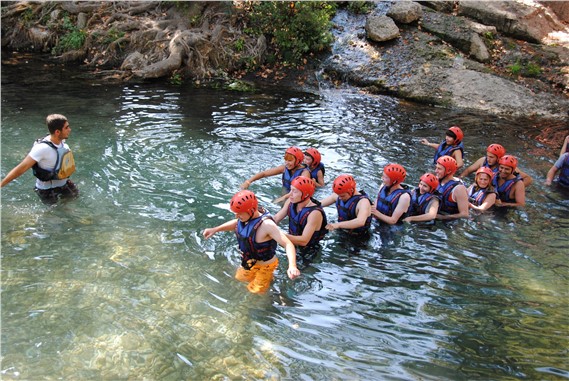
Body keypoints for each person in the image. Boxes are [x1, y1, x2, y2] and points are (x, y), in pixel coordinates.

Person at [202, 190, 300, 294]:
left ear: (252, 210)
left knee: (256, 292)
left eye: (240, 213)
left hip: (266, 266)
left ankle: (274, 292)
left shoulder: (267, 225)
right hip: (249, 262)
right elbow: (237, 224)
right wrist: (215, 229)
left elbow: (288, 244)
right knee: (239, 279)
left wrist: (292, 266)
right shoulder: (245, 218)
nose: (237, 216)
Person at [1, 114, 78, 204]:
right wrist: (1, 184)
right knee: (54, 215)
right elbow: (21, 168)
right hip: (47, 190)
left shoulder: (62, 142)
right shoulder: (42, 149)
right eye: (66, 127)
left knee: (74, 202)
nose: (70, 129)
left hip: (64, 184)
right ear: (57, 132)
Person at [274, 176, 327, 262]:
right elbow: (276, 218)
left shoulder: (315, 213)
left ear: (305, 194)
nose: (290, 194)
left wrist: (277, 235)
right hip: (290, 241)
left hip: (308, 250)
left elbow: (304, 240)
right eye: (291, 190)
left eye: (294, 191)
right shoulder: (291, 201)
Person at [240, 146, 310, 194]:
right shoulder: (284, 168)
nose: (287, 163)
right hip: (287, 193)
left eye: (290, 160)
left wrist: (283, 198)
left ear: (298, 161)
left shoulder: (305, 173)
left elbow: (301, 191)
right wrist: (248, 182)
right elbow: (264, 174)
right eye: (286, 160)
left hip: (296, 196)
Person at [459, 143, 533, 187]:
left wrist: (515, 189)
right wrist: (460, 179)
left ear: (499, 158)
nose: (488, 159)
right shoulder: (483, 161)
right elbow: (468, 170)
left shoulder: (505, 167)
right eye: (487, 156)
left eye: (491, 157)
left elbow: (528, 179)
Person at [434, 155, 469, 220]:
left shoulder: (459, 189)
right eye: (436, 168)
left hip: (451, 222)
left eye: (439, 169)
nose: (436, 171)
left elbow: (464, 214)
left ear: (449, 171)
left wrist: (444, 217)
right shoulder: (436, 179)